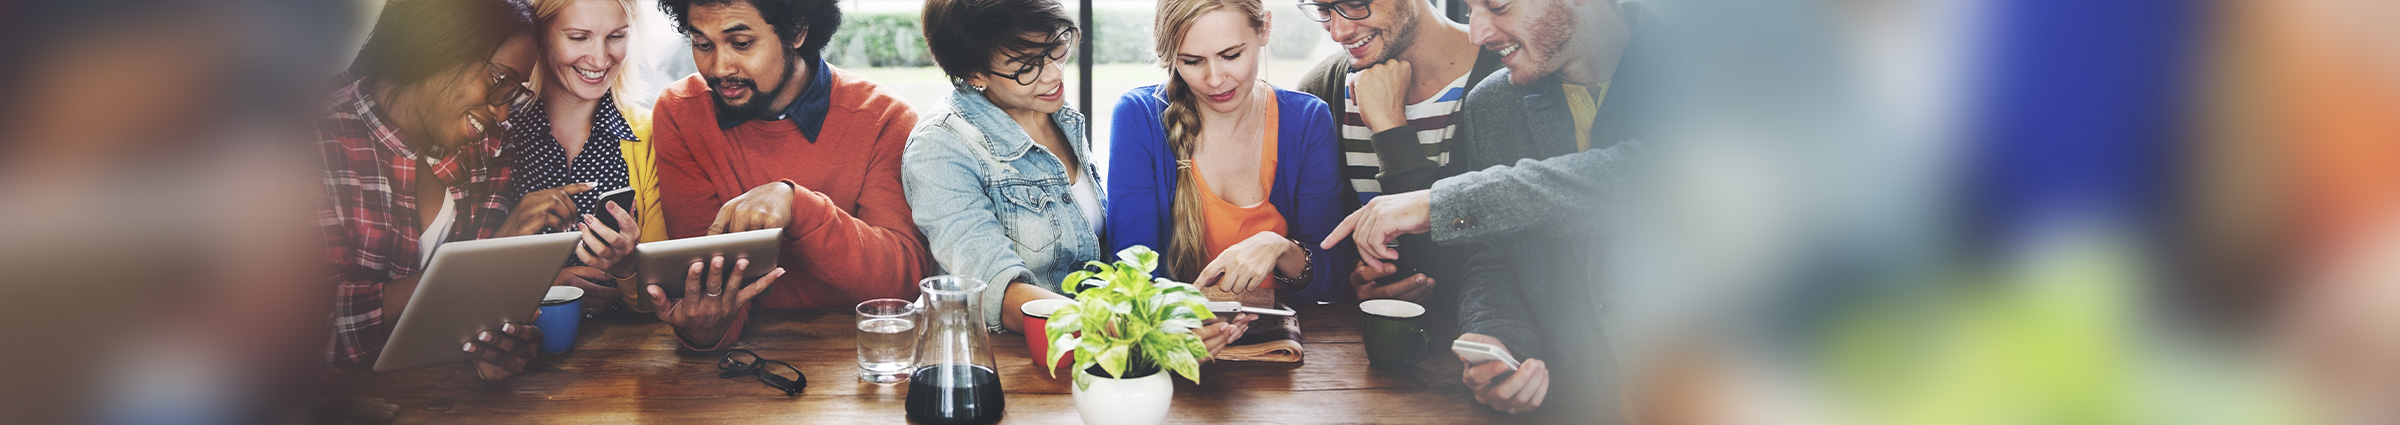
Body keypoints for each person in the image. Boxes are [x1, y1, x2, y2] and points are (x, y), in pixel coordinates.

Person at [1323, 0, 1660, 416]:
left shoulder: (1720, 64)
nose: (1477, 33)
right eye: (1470, 8)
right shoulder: (1493, 102)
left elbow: (1659, 176)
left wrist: (1438, 203)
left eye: (1498, 6)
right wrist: (1496, 340)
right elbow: (1494, 258)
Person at [904, 0, 1252, 354]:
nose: (1054, 74)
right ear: (973, 74)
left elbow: (1098, 258)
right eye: (1027, 67)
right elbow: (996, 289)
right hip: (1011, 362)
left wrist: (1164, 314)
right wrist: (1134, 330)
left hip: (1092, 352)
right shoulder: (941, 146)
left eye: (1056, 48)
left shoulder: (1056, 117)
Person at [647, 0, 928, 351]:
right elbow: (706, 284)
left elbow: (901, 284)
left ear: (796, 30)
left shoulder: (883, 117)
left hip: (866, 356)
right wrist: (706, 329)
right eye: (703, 45)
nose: (719, 67)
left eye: (741, 43)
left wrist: (796, 204)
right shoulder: (681, 112)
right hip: (743, 367)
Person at [316, 0, 572, 381]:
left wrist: (490, 347)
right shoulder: (310, 140)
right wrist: (491, 257)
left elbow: (468, 314)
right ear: (437, 47)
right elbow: (307, 327)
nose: (502, 113)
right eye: (499, 81)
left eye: (513, 93)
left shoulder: (491, 147)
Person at [1108, 0, 1352, 308]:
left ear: (1264, 29)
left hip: (1284, 341)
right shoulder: (1139, 117)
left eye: (1231, 55)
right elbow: (1131, 274)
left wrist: (1281, 249)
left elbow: (1332, 280)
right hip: (1181, 342)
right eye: (1192, 62)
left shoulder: (1306, 120)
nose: (1214, 79)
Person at [1293, 0, 1505, 305]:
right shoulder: (1320, 93)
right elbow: (1324, 246)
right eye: (1323, 9)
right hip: (1365, 340)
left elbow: (1497, 255)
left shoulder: (1509, 78)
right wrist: (1352, 277)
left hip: (1480, 337)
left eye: (1355, 4)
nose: (1337, 32)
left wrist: (1390, 128)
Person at [501, 0, 663, 315]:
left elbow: (666, 296)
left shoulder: (650, 135)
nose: (601, 58)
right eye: (578, 37)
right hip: (519, 354)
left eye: (616, 36)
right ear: (539, 35)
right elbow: (463, 274)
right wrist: (540, 288)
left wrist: (628, 269)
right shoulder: (497, 131)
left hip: (623, 351)